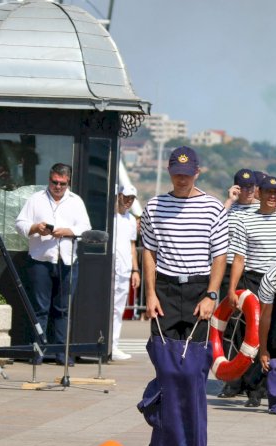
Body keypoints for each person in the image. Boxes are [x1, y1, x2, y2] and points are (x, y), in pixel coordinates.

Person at [227, 175, 276, 407]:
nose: (271, 197)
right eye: (267, 192)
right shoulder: (245, 221)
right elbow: (239, 258)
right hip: (253, 280)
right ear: (259, 194)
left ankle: (269, 384)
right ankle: (253, 389)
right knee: (251, 336)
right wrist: (232, 289)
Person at [140, 146, 227, 342]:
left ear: (197, 172)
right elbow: (149, 252)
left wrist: (211, 296)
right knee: (163, 353)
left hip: (198, 287)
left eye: (187, 174)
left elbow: (220, 256)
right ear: (169, 172)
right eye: (177, 174)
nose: (182, 179)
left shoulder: (214, 208)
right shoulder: (154, 207)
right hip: (165, 287)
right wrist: (150, 294)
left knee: (196, 357)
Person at [15, 162, 91, 363]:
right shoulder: (36, 199)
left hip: (67, 261)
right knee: (40, 309)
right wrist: (35, 228)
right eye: (54, 182)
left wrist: (68, 231)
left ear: (68, 183)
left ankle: (61, 354)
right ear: (49, 179)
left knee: (63, 310)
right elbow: (19, 223)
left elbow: (85, 228)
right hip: (41, 260)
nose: (57, 187)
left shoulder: (76, 201)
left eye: (62, 184)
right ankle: (37, 353)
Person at [216, 169, 259, 399]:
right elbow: (213, 227)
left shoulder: (261, 209)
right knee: (230, 326)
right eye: (243, 187)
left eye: (251, 186)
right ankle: (232, 381)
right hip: (229, 268)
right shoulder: (229, 208)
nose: (248, 191)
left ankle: (251, 380)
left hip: (252, 270)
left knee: (251, 326)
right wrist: (229, 202)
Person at [110, 184, 140, 361]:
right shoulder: (109, 217)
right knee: (107, 306)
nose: (129, 201)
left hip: (125, 269)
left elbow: (132, 246)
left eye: (132, 198)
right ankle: (104, 342)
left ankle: (113, 344)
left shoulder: (130, 220)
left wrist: (135, 269)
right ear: (119, 195)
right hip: (110, 267)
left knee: (118, 309)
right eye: (126, 197)